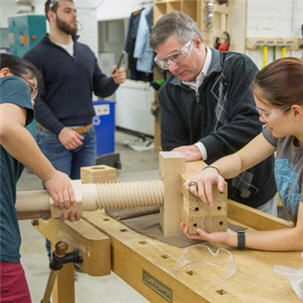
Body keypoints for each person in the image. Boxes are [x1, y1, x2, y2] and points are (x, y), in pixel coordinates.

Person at [24, 0, 126, 258]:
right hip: (54, 139)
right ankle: (57, 255)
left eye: (75, 11)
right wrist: (60, 130)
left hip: (86, 136)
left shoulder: (85, 51)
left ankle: (77, 252)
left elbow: (99, 87)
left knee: (82, 198)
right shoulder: (35, 56)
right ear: (51, 14)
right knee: (59, 201)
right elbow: (36, 100)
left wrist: (113, 82)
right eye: (67, 11)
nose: (73, 16)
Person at [150, 12, 277, 214]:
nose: (172, 67)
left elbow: (252, 123)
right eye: (164, 61)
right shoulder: (169, 91)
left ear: (197, 43)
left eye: (175, 56)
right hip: (204, 196)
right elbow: (175, 148)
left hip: (251, 191)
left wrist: (200, 148)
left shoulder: (238, 68)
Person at [182, 57, 303, 251]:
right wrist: (212, 171)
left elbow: (300, 237)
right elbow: (240, 159)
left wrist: (233, 238)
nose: (261, 120)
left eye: (266, 113)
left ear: (296, 112)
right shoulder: (283, 133)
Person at [0, 53, 81, 302]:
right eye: (31, 90)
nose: (31, 102)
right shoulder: (12, 83)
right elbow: (5, 127)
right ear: (5, 73)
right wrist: (51, 175)